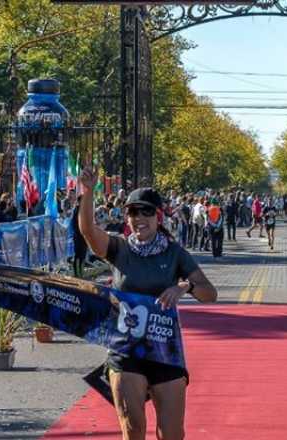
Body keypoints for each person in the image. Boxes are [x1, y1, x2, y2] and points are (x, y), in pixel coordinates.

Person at [77, 169, 216, 440]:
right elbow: (88, 231)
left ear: (158, 216)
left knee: (172, 434)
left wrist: (184, 286)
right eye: (133, 212)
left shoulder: (174, 253)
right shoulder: (119, 249)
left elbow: (210, 293)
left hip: (165, 350)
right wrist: (88, 191)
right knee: (133, 429)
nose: (139, 218)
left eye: (146, 212)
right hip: (126, 349)